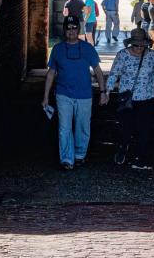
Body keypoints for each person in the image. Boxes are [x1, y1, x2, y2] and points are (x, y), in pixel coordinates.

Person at [42, 15, 108, 170]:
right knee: (64, 128)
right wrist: (45, 96)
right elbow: (51, 73)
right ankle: (66, 159)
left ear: (79, 29)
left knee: (82, 126)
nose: (71, 31)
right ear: (64, 30)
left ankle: (79, 155)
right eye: (68, 28)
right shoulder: (58, 49)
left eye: (74, 28)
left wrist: (103, 92)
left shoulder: (87, 48)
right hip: (63, 94)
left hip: (84, 94)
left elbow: (98, 71)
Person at [106, 28, 154, 169]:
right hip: (127, 99)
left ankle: (140, 157)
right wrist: (107, 92)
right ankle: (123, 148)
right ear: (131, 44)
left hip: (147, 98)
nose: (139, 48)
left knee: (144, 129)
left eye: (142, 45)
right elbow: (113, 74)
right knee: (125, 128)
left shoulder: (152, 55)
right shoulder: (122, 55)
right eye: (136, 45)